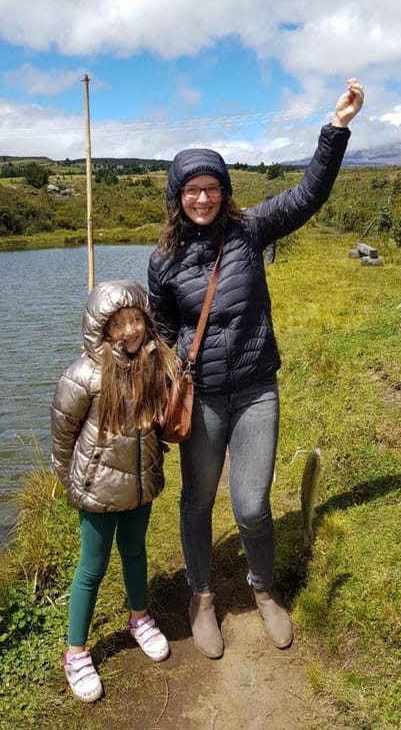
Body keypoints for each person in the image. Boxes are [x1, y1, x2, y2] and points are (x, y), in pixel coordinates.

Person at [147, 78, 364, 659]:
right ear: (177, 195)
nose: (202, 198)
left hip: (255, 390)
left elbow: (307, 195)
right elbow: (163, 335)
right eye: (192, 189)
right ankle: (200, 599)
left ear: (225, 191)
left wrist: (336, 128)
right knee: (196, 502)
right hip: (204, 396)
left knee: (250, 505)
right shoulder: (162, 262)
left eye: (212, 188)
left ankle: (263, 589)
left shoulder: (248, 230)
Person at [51, 280, 180, 703]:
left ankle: (139, 617)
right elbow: (62, 435)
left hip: (140, 483)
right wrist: (71, 482)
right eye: (119, 324)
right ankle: (76, 652)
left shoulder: (154, 363)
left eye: (136, 320)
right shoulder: (83, 375)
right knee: (92, 567)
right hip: (98, 489)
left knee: (136, 550)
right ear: (101, 329)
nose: (130, 330)